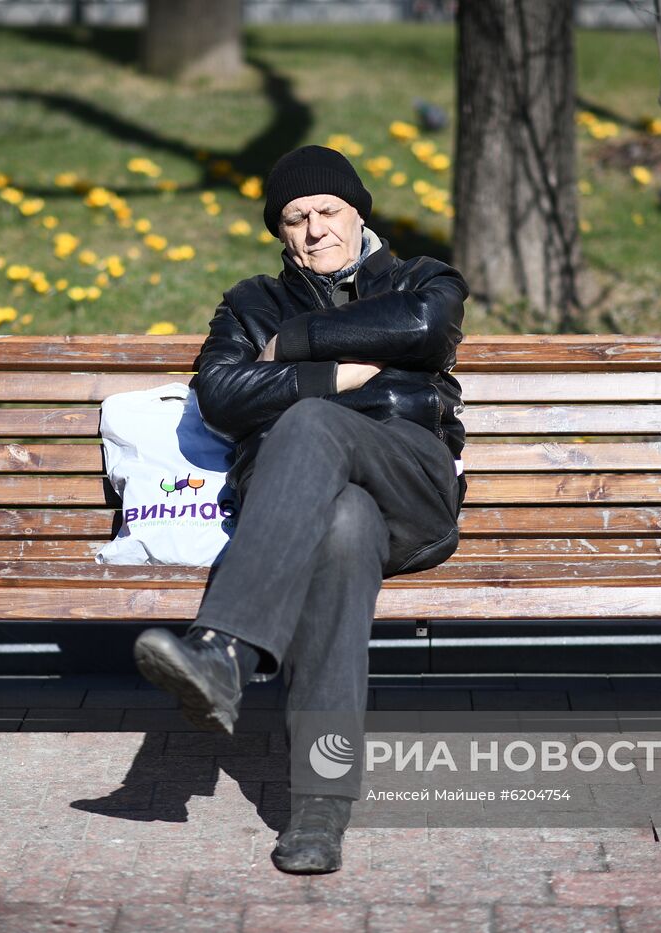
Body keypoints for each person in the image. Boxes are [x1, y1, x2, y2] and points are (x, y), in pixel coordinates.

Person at [133, 144, 467, 874]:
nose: (315, 230)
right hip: (306, 507)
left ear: (357, 214)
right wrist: (346, 374)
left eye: (328, 211)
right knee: (343, 526)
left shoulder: (421, 278)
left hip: (412, 486)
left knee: (311, 422)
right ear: (280, 232)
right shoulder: (251, 302)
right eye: (295, 218)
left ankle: (224, 649)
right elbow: (220, 393)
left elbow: (424, 329)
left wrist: (295, 349)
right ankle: (319, 808)